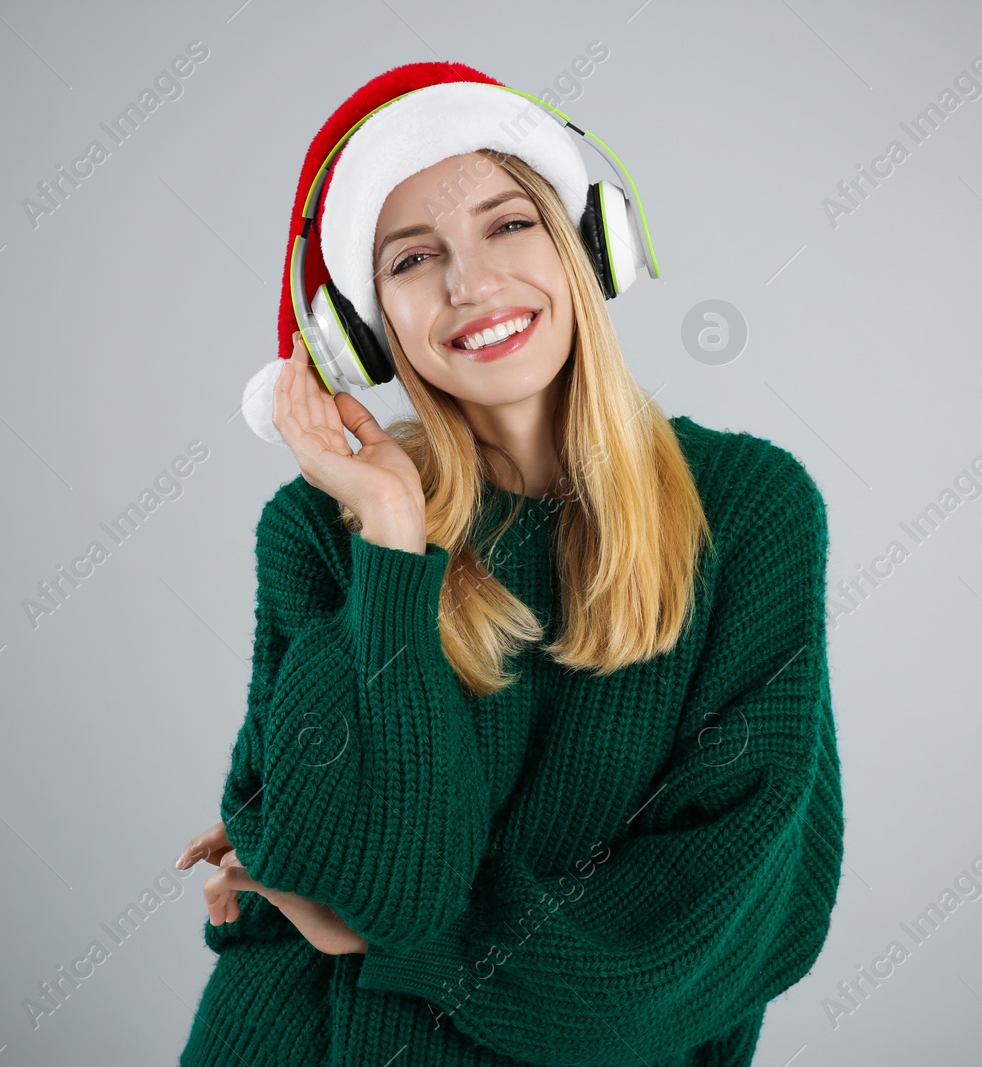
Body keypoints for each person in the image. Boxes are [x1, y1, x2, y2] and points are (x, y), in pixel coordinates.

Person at [174, 62, 843, 1066]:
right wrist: (395, 533)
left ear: (585, 244)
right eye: (410, 259)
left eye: (508, 224)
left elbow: (691, 941)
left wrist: (374, 923)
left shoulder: (748, 510)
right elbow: (363, 864)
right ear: (369, 329)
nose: (469, 283)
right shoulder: (324, 528)